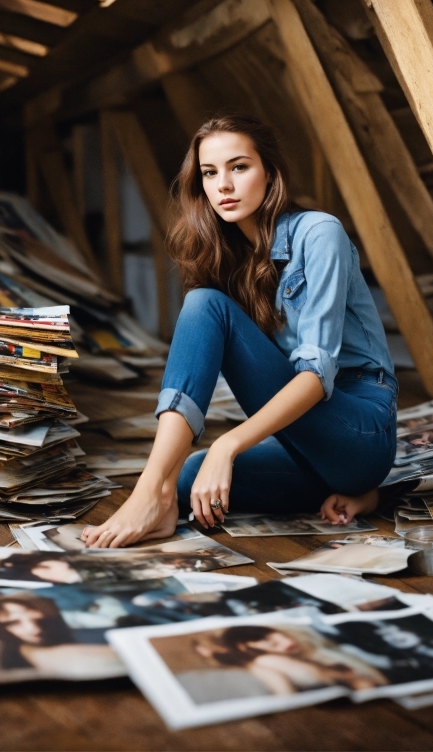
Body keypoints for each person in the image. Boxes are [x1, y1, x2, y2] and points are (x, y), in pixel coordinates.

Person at [83, 115, 397, 548]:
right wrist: (212, 456)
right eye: (210, 173)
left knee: (204, 307)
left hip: (358, 428)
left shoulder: (320, 233)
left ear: (270, 172)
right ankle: (160, 493)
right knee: (191, 477)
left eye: (239, 167)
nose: (223, 185)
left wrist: (226, 445)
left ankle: (146, 490)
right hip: (305, 440)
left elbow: (315, 377)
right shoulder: (228, 256)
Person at [198, 625, 386, 695]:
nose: (287, 642)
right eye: (269, 642)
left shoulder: (310, 652)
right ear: (244, 648)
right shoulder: (262, 664)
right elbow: (285, 696)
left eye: (279, 636)